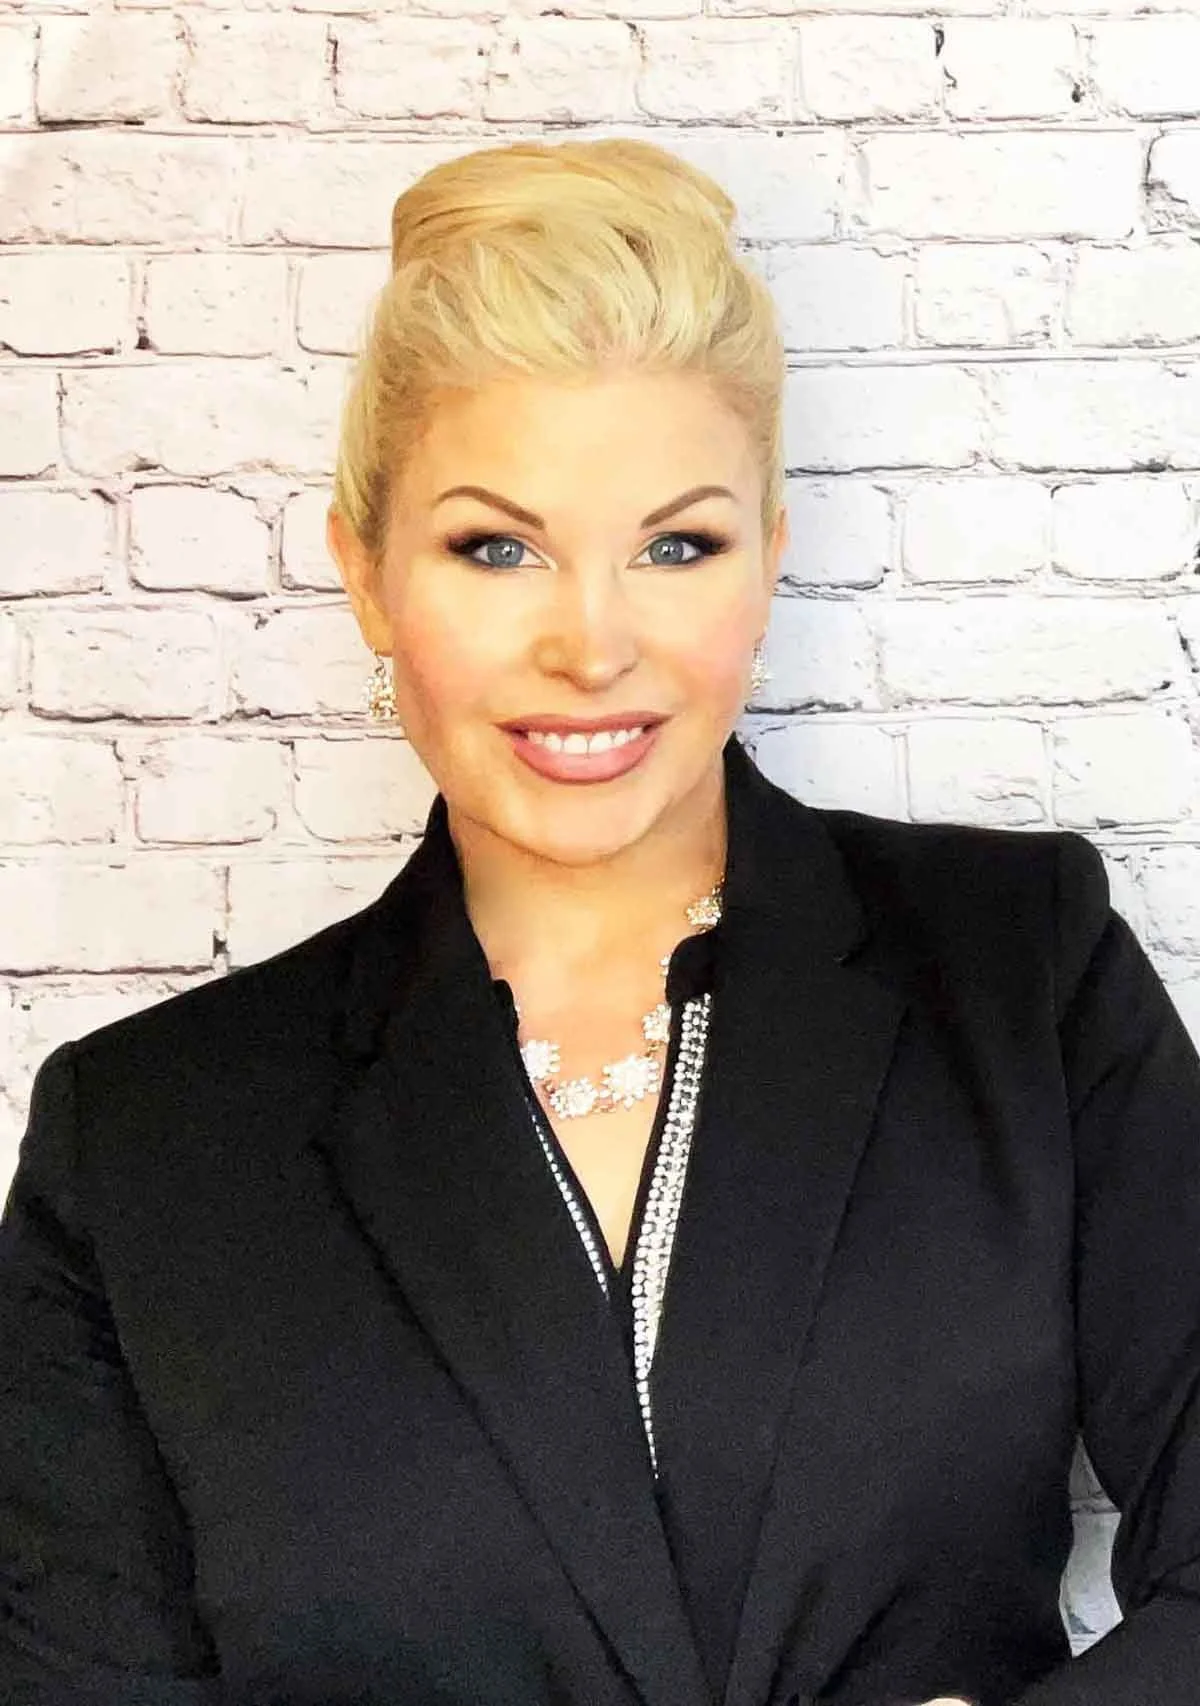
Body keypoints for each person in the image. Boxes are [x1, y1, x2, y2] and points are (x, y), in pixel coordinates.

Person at [1, 136, 1197, 1706]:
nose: (591, 643)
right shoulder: (146, 1139)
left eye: (675, 544)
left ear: (770, 561)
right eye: (496, 546)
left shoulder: (1017, 971)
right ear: (364, 573)